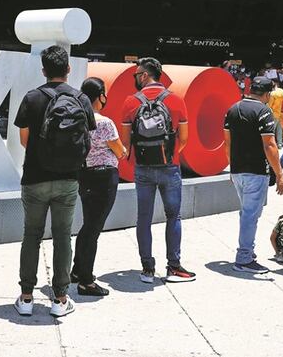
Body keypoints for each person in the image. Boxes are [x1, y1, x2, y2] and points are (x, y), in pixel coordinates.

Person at [14, 46, 95, 317]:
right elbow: (87, 140)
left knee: (31, 235)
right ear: (68, 69)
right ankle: (60, 299)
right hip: (69, 180)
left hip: (35, 178)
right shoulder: (82, 99)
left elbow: (24, 141)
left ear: (43, 70)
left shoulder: (32, 98)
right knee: (63, 237)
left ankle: (26, 297)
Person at [121, 57, 196, 284]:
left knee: (143, 218)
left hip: (142, 169)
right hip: (169, 167)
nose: (135, 78)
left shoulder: (130, 102)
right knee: (173, 216)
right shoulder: (176, 100)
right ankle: (174, 267)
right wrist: (170, 155)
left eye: (136, 74)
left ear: (144, 75)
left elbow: (126, 142)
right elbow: (184, 138)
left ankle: (147, 270)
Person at [223, 76, 283, 274]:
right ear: (267, 94)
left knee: (246, 213)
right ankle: (243, 258)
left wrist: (232, 167)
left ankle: (248, 251)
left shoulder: (232, 109)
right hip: (256, 171)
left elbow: (227, 143)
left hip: (238, 170)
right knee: (251, 215)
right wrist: (280, 174)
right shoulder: (264, 111)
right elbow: (269, 145)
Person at [72, 77, 126, 296]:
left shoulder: (77, 119)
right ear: (100, 95)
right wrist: (120, 151)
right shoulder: (104, 122)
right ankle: (86, 280)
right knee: (93, 229)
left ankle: (77, 270)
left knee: (88, 225)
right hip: (104, 178)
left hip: (84, 176)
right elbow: (119, 150)